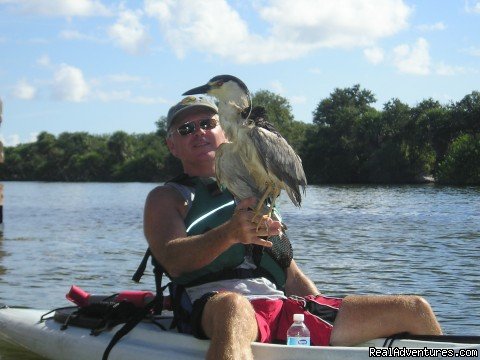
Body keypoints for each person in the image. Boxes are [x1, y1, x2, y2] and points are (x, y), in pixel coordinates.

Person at [143, 95, 442, 360]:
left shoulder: (258, 191)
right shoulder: (167, 197)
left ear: (224, 131)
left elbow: (292, 275)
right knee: (234, 307)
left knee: (414, 309)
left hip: (280, 306)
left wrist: (319, 317)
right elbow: (173, 259)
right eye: (186, 129)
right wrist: (230, 233)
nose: (200, 133)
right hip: (215, 307)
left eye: (208, 123)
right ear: (172, 144)